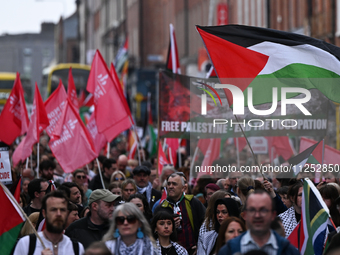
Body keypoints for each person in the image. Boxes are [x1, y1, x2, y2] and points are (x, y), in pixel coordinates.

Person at [218, 190, 299, 255]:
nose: (257, 215)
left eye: (263, 210)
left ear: (273, 215)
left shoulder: (288, 251)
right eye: (252, 210)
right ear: (245, 215)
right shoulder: (228, 250)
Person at [14, 190, 84, 255]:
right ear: (44, 213)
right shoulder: (26, 244)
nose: (58, 214)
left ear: (67, 213)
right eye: (53, 210)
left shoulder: (76, 248)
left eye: (62, 210)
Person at [154, 172, 206, 254]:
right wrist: (170, 225)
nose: (170, 186)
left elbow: (205, 225)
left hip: (194, 251)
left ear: (183, 188)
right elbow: (154, 231)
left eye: (174, 184)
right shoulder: (161, 208)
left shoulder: (193, 202)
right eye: (169, 184)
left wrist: (200, 246)